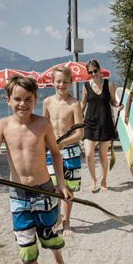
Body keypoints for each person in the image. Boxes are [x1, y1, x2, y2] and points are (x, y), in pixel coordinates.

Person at [0, 75, 73, 264]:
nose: (23, 104)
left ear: (35, 99)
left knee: (49, 238)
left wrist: (61, 185)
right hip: (18, 195)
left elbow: (56, 154)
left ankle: (56, 254)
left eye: (28, 99)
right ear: (8, 100)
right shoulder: (2, 125)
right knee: (27, 250)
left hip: (45, 190)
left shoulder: (43, 123)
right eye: (17, 99)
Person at [43, 66, 84, 236]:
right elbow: (43, 127)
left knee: (68, 187)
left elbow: (80, 132)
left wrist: (64, 142)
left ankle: (67, 221)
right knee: (54, 187)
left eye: (65, 82)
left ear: (71, 83)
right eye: (58, 81)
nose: (62, 85)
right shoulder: (47, 102)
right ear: (53, 82)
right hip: (51, 151)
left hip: (70, 151)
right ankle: (58, 218)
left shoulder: (75, 104)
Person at [80, 59, 122, 192]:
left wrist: (117, 105)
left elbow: (112, 101)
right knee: (88, 154)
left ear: (99, 70)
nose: (93, 74)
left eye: (95, 71)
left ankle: (104, 182)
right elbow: (83, 104)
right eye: (90, 72)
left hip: (105, 123)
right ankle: (93, 179)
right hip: (89, 123)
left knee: (103, 155)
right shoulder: (86, 86)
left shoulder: (109, 84)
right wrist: (76, 119)